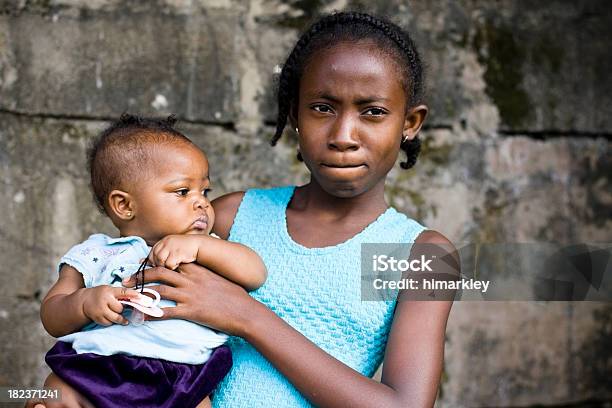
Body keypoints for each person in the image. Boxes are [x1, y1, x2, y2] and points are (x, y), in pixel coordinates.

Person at [120, 11, 458, 408]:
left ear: (410, 123)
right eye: (322, 108)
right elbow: (133, 321)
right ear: (295, 113)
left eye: (373, 112)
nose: (344, 136)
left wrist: (246, 316)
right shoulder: (230, 216)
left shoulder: (423, 256)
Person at [33, 114, 267, 408]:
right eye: (183, 191)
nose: (202, 202)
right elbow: (52, 315)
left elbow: (255, 272)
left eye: (204, 191)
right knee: (54, 391)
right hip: (100, 368)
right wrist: (84, 302)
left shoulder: (206, 250)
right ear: (125, 205)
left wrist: (198, 246)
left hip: (181, 378)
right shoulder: (96, 252)